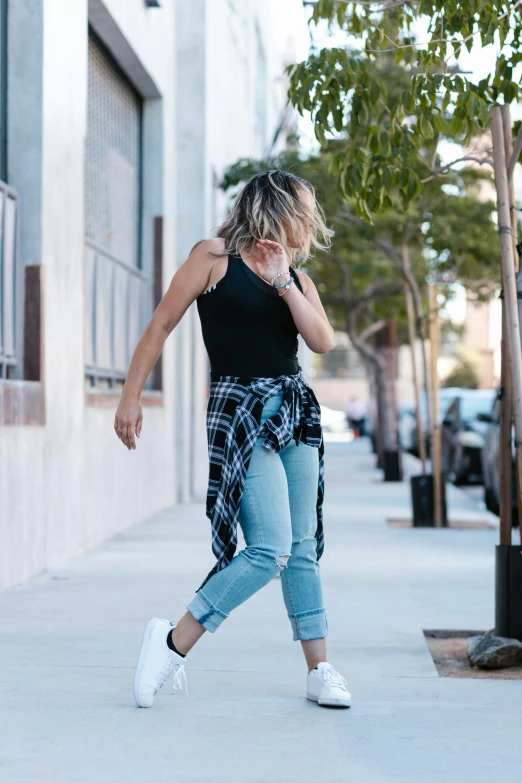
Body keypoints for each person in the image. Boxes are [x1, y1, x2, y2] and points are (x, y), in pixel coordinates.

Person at [114, 170, 351, 709]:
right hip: (239, 409)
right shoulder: (213, 258)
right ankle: (172, 643)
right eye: (302, 211)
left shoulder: (296, 276)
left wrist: (284, 281)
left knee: (304, 549)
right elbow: (159, 327)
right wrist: (130, 395)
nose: (308, 224)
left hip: (293, 409)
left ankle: (320, 669)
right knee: (269, 549)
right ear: (276, 208)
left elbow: (322, 341)